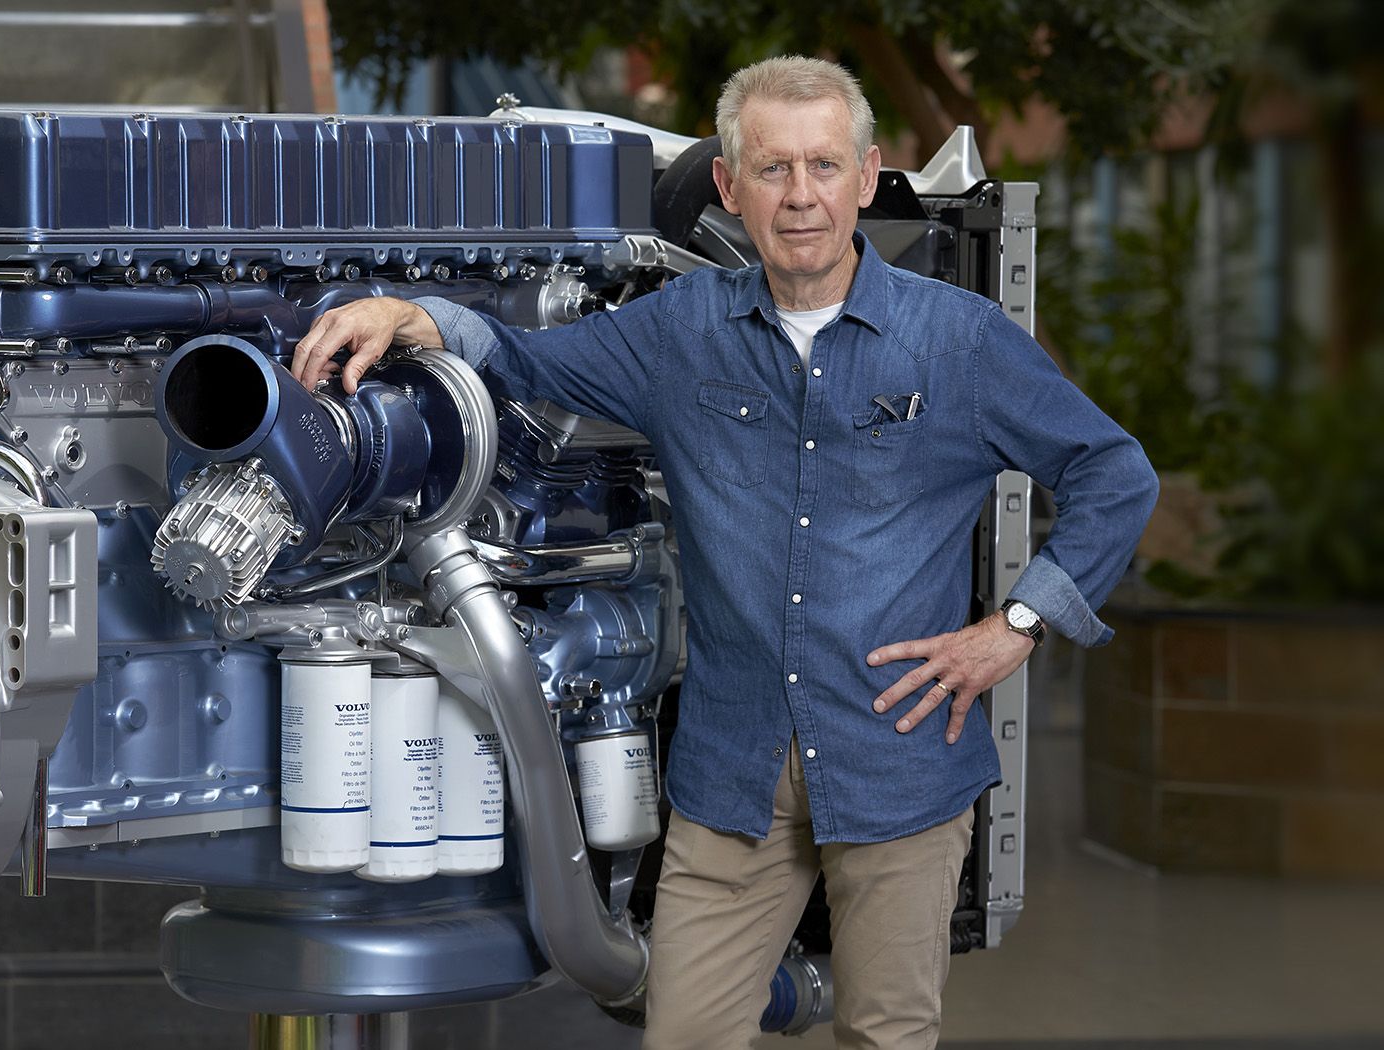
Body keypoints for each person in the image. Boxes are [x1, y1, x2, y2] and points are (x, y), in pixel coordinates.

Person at [290, 55, 1158, 1050]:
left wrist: (1014, 628)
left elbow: (1114, 472)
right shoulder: (680, 332)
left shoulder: (958, 341)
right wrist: (412, 316)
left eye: (825, 167)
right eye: (775, 169)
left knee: (884, 1037)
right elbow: (524, 357)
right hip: (731, 773)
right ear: (729, 186)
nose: (801, 197)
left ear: (866, 179)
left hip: (898, 764)